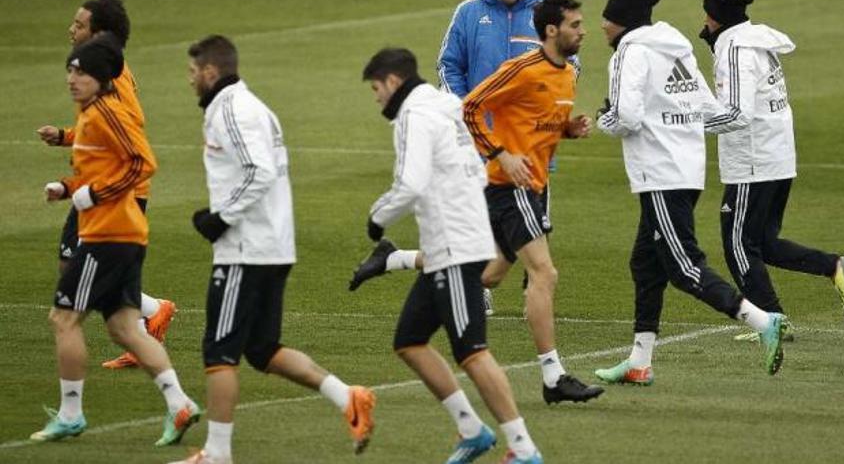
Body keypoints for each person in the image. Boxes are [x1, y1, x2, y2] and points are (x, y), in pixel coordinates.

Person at [169, 35, 375, 464]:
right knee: (262, 349)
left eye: (192, 73)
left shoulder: (229, 109)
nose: (190, 82)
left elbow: (259, 171)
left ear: (210, 72)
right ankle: (348, 397)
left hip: (246, 249)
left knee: (219, 351)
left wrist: (220, 217)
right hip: (273, 244)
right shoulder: (253, 107)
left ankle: (217, 454)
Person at [593, 0, 788, 385]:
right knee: (645, 264)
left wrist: (602, 119)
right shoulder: (677, 47)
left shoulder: (628, 53)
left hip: (659, 172)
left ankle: (761, 319)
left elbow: (625, 117)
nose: (602, 27)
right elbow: (706, 107)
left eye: (606, 19)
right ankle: (639, 361)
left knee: (684, 267)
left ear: (621, 22)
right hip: (687, 169)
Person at [359, 46, 543, 464]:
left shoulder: (414, 115)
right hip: (459, 238)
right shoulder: (447, 104)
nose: (376, 99)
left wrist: (377, 218)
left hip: (454, 246)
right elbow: (476, 170)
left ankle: (523, 448)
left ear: (391, 82)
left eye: (376, 89)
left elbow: (410, 183)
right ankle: (471, 430)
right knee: (409, 341)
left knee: (472, 349)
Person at [32, 37, 201, 446]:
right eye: (70, 71)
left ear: (102, 78)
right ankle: (179, 404)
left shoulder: (109, 113)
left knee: (64, 318)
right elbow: (99, 171)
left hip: (109, 235)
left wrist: (94, 195)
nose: (72, 79)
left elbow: (144, 163)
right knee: (126, 328)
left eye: (81, 73)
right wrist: (67, 186)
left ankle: (72, 413)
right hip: (116, 233)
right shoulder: (90, 115)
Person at [458, 0, 603, 404]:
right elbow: (470, 108)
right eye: (575, 25)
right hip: (509, 187)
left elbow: (539, 124)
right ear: (552, 30)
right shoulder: (520, 69)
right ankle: (554, 377)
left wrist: (567, 130)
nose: (583, 31)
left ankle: (398, 259)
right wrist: (500, 153)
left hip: (535, 188)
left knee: (486, 276)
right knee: (544, 273)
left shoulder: (567, 75)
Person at [699, 0, 844, 341]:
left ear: (712, 15)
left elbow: (737, 113)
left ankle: (772, 320)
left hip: (753, 159)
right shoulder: (756, 40)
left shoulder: (735, 50)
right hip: (777, 153)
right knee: (765, 243)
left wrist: (689, 124)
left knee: (739, 245)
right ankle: (834, 266)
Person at [35, 0, 176, 370]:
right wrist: (66, 136)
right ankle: (149, 316)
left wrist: (94, 187)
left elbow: (129, 128)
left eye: (79, 25)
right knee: (74, 267)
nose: (71, 30)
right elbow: (100, 126)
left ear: (98, 33)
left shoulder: (114, 75)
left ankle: (148, 315)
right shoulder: (93, 71)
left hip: (115, 191)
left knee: (76, 273)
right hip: (99, 186)